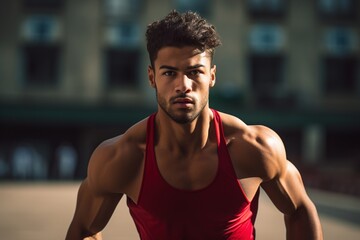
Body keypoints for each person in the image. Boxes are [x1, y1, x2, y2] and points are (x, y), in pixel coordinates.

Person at [66, 10, 323, 240]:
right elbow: (83, 229)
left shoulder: (254, 147)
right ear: (151, 77)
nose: (183, 86)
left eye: (194, 72)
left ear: (211, 76)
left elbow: (300, 209)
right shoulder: (122, 157)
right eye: (169, 73)